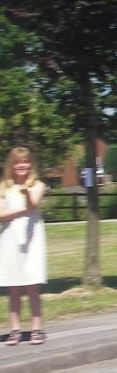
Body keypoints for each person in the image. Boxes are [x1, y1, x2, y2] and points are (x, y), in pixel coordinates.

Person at [1, 147, 48, 346]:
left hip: (31, 238)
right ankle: (15, 329)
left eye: (25, 162)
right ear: (11, 165)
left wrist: (27, 195)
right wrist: (22, 210)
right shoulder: (4, 186)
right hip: (10, 237)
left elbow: (33, 205)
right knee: (13, 286)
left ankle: (36, 328)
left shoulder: (37, 185)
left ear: (30, 164)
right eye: (17, 162)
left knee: (31, 284)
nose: (21, 166)